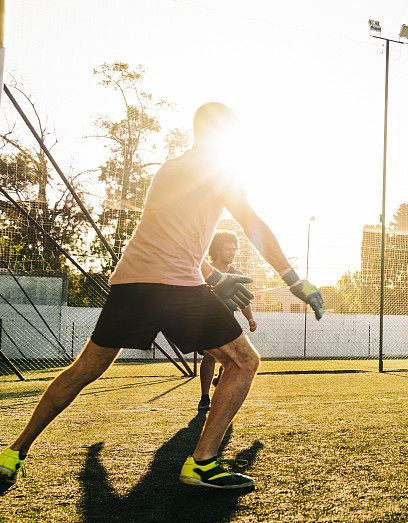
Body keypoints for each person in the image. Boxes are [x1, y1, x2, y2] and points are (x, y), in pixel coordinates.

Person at [0, 102, 324, 492]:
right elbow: (253, 225)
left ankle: (13, 452)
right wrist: (293, 280)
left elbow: (174, 239)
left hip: (130, 282)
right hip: (174, 287)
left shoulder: (170, 170)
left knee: (85, 368)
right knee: (243, 361)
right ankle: (202, 462)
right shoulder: (220, 168)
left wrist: (215, 275)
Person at [198, 231, 258, 412]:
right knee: (209, 356)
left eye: (234, 249)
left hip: (227, 322)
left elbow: (243, 301)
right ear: (216, 250)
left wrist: (250, 318)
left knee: (232, 359)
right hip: (206, 321)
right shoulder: (203, 271)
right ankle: (205, 397)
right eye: (228, 249)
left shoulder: (235, 273)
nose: (232, 252)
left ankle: (220, 380)